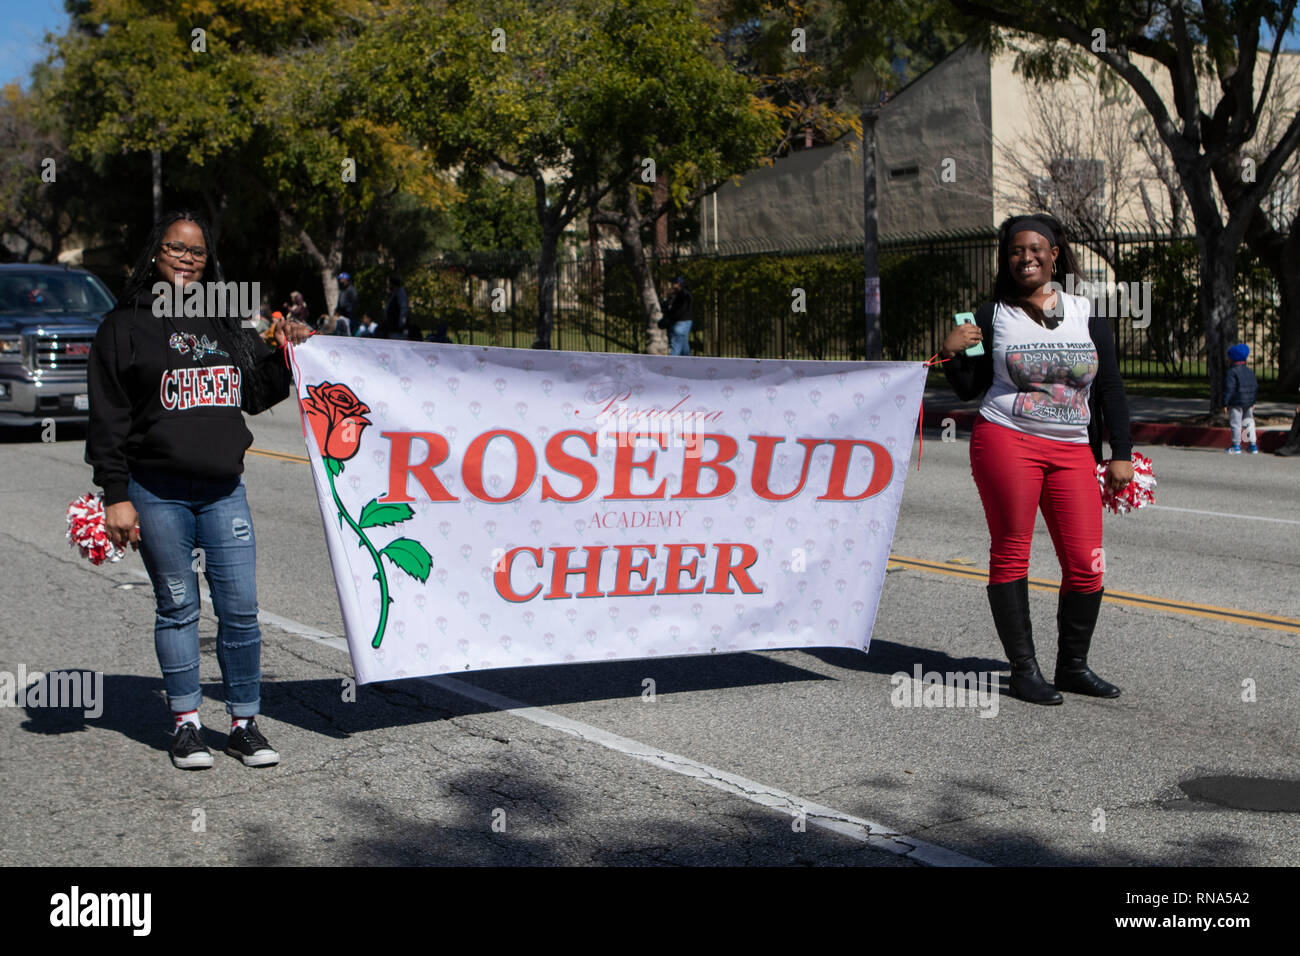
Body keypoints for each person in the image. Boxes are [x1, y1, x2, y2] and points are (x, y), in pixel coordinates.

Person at [85, 210, 313, 770]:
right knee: (179, 606)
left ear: (208, 261)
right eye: (175, 248)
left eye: (197, 251)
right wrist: (115, 494)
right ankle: (187, 725)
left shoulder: (221, 319)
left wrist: (288, 349)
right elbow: (109, 419)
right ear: (154, 253)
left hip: (223, 491)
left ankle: (243, 724)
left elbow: (258, 392)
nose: (186, 258)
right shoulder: (123, 324)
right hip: (155, 492)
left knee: (240, 609)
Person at [941, 213, 1134, 706]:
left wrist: (1121, 453)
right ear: (1007, 260)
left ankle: (1072, 667)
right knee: (1011, 551)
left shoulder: (1087, 311)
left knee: (1087, 562)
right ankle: (1024, 671)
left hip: (1072, 449)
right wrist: (951, 352)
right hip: (1007, 440)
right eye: (1015, 251)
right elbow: (968, 388)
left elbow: (1109, 385)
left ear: (1054, 252)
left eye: (1035, 249)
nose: (1026, 258)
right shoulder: (989, 315)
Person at [1223, 343, 1258, 454]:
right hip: (1248, 401)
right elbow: (1254, 387)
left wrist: (1225, 402)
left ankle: (1236, 445)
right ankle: (1252, 445)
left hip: (1236, 401)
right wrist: (1253, 401)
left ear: (1232, 358)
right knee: (1249, 422)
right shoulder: (1249, 371)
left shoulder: (1231, 372)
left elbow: (1229, 389)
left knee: (1236, 423)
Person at [658, 276, 693, 356]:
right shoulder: (675, 295)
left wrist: (671, 318)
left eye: (674, 283)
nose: (672, 285)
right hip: (679, 322)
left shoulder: (684, 294)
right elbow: (667, 308)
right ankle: (687, 365)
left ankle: (671, 365)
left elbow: (680, 309)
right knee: (684, 347)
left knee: (676, 346)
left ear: (678, 284)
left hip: (681, 322)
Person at [382, 275, 408, 339]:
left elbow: (404, 310)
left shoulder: (401, 294)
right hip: (392, 328)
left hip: (397, 330)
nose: (388, 286)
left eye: (389, 284)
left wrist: (401, 324)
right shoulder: (392, 295)